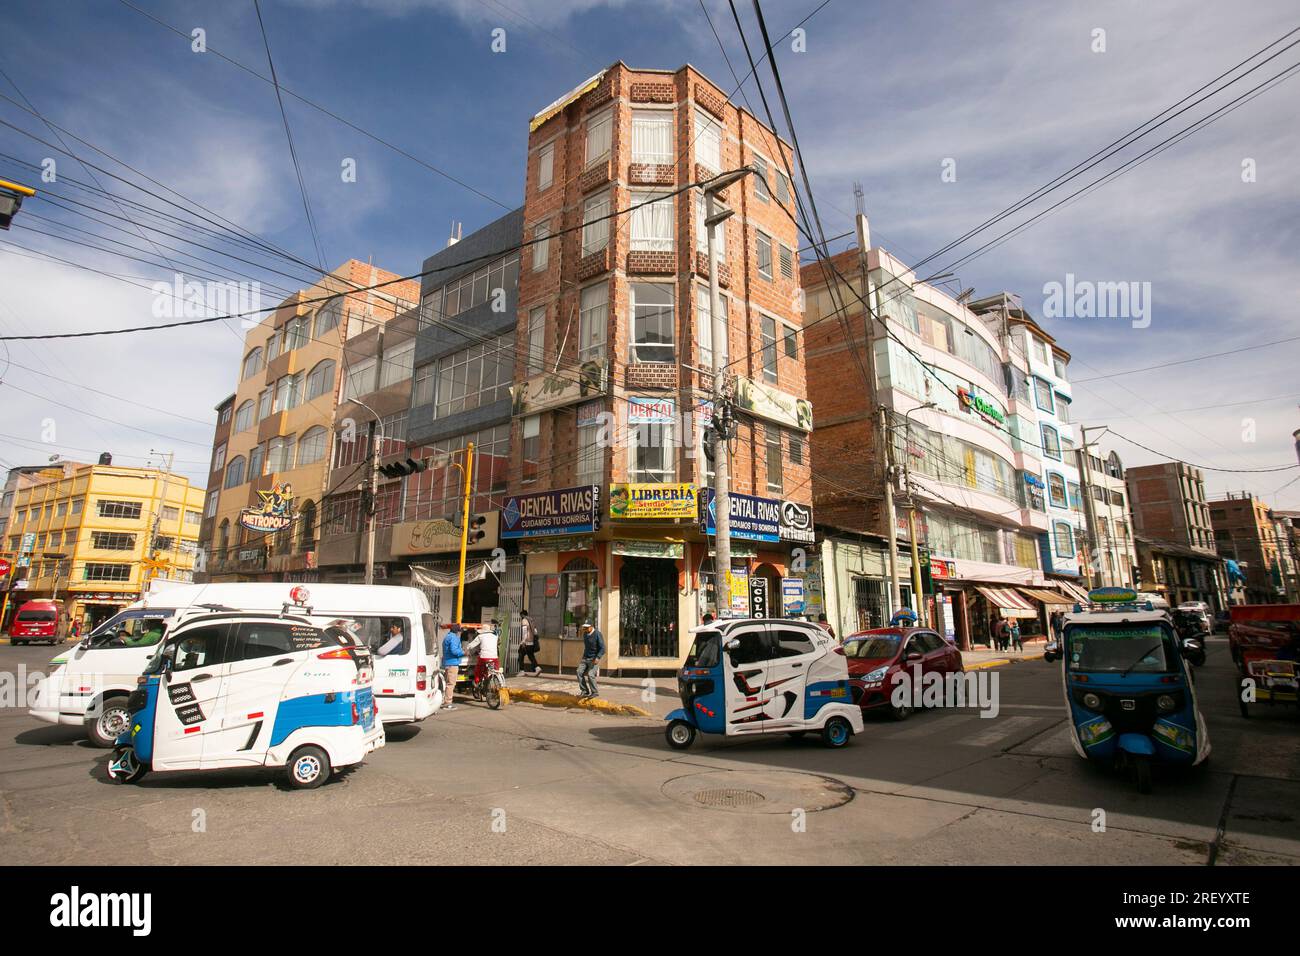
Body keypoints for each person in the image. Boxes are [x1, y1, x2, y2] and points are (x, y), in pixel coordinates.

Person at [464, 622, 500, 689]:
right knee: (495, 669)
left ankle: (477, 682)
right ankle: (494, 678)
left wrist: (466, 649)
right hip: (494, 657)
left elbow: (472, 645)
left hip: (484, 657)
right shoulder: (495, 636)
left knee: (478, 669)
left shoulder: (480, 636)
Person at [577, 622, 604, 701]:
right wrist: (584, 657)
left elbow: (603, 648)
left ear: (592, 626)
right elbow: (587, 647)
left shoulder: (597, 634)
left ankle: (594, 692)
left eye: (587, 627)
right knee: (579, 672)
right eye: (584, 627)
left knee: (590, 674)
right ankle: (585, 691)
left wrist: (598, 657)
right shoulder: (585, 634)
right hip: (585, 658)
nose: (585, 629)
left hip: (594, 658)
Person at [441, 625, 464, 711]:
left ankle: (445, 701)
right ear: (457, 631)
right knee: (451, 684)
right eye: (460, 631)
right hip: (453, 663)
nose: (460, 633)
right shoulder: (454, 637)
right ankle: (448, 703)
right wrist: (463, 652)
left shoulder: (447, 636)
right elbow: (454, 650)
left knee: (447, 683)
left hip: (447, 662)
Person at [518, 610, 540, 676]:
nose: (521, 617)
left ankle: (522, 671)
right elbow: (535, 632)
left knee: (520, 656)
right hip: (531, 642)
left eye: (521, 616)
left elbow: (524, 632)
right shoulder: (531, 620)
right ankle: (537, 668)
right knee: (531, 656)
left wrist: (523, 641)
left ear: (522, 615)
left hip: (526, 642)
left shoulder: (524, 620)